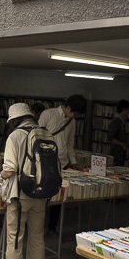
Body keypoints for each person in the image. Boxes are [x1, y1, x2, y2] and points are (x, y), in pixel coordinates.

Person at [0, 103, 47, 259]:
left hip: (20, 196)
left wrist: (1, 174)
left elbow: (9, 169)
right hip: (41, 195)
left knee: (15, 239)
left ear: (14, 120)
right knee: (37, 238)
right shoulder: (44, 133)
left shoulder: (15, 136)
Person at [38, 94, 86, 235]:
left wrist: (74, 163)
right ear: (68, 107)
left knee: (58, 196)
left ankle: (52, 227)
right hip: (45, 162)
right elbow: (37, 137)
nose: (74, 116)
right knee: (41, 196)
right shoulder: (48, 114)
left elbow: (70, 144)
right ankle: (37, 227)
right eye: (75, 113)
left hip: (62, 163)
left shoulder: (72, 121)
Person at [108, 99, 129, 167]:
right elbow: (110, 138)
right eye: (127, 110)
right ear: (124, 110)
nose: (128, 112)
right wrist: (122, 144)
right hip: (116, 153)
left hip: (121, 153)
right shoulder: (115, 122)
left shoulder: (122, 122)